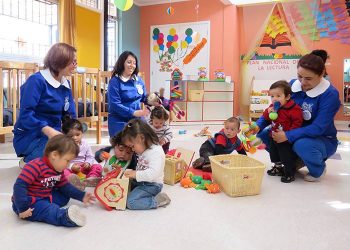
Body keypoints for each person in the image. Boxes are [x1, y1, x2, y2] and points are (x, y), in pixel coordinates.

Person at [257, 53, 341, 182]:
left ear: (321, 73)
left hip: (321, 139)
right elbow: (274, 106)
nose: (302, 82)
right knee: (265, 134)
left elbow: (318, 128)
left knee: (301, 144)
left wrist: (287, 135)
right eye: (299, 76)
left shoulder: (330, 94)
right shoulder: (292, 85)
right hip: (292, 130)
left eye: (308, 78)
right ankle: (290, 162)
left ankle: (318, 168)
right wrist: (257, 125)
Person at [13, 43, 77, 167]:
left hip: (53, 133)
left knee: (72, 149)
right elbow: (26, 115)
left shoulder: (65, 83)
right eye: (73, 62)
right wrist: (49, 131)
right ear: (60, 61)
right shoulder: (36, 81)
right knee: (54, 155)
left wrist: (73, 131)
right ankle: (28, 161)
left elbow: (69, 113)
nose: (75, 66)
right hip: (31, 135)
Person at [12, 135, 95, 227]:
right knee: (48, 210)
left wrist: (82, 195)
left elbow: (65, 186)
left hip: (45, 195)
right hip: (28, 201)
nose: (68, 165)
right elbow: (19, 186)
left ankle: (50, 206)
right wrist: (23, 208)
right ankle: (65, 217)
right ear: (54, 155)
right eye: (67, 161)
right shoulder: (34, 166)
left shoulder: (58, 170)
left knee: (64, 195)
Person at [257, 81, 303, 183]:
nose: (274, 99)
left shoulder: (294, 109)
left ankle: (289, 173)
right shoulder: (273, 107)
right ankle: (278, 168)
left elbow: (297, 124)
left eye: (278, 96)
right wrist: (267, 112)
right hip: (274, 136)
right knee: (274, 154)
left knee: (285, 156)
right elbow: (266, 117)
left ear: (287, 97)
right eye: (272, 96)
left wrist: (287, 134)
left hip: (285, 138)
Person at [121, 119, 171, 210]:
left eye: (132, 146)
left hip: (152, 185)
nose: (132, 149)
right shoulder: (143, 148)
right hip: (142, 181)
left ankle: (157, 200)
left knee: (131, 202)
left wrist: (135, 174)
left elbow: (153, 174)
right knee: (122, 187)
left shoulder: (156, 152)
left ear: (141, 138)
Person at [108, 51, 149, 138]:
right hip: (118, 119)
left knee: (146, 139)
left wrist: (155, 100)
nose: (132, 65)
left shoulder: (139, 80)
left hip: (136, 118)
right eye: (129, 62)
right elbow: (115, 105)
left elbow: (145, 98)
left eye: (134, 63)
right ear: (122, 63)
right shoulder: (115, 81)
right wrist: (133, 112)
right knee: (123, 146)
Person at [62, 118, 102, 189]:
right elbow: (63, 161)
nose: (74, 138)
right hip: (71, 169)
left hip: (83, 167)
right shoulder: (64, 146)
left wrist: (88, 163)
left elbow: (90, 156)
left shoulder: (85, 144)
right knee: (63, 172)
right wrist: (71, 166)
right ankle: (73, 181)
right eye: (71, 136)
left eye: (77, 135)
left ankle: (91, 179)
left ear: (82, 133)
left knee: (97, 166)